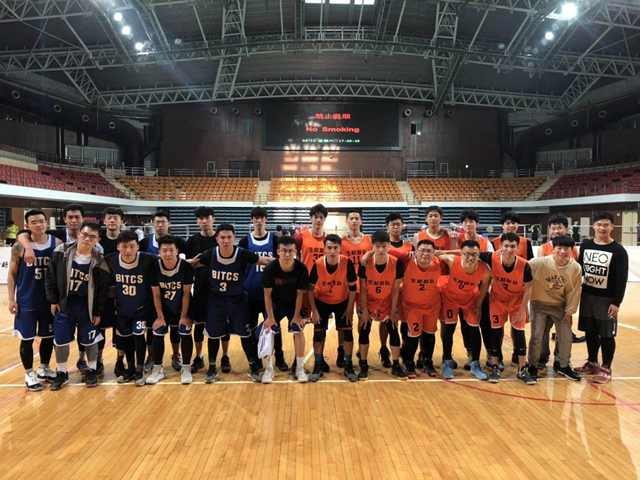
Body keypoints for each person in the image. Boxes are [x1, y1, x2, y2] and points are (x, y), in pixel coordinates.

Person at [195, 224, 272, 384]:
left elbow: (264, 260)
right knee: (213, 335)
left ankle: (252, 366)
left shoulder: (243, 254)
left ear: (234, 238)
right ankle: (211, 368)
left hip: (238, 301)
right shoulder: (210, 254)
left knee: (245, 334)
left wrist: (286, 262)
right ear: (217, 239)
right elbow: (193, 263)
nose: (226, 241)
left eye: (229, 237)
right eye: (222, 237)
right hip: (216, 301)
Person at [46, 222, 110, 390]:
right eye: (85, 234)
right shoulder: (61, 252)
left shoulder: (100, 261)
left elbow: (102, 290)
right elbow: (50, 277)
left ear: (98, 240)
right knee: (61, 340)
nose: (87, 239)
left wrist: (97, 312)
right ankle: (61, 372)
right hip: (65, 303)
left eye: (92, 237)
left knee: (90, 339)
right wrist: (53, 300)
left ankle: (92, 370)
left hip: (86, 305)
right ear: (79, 234)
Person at [7, 210, 61, 391]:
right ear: (27, 226)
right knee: (27, 338)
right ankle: (29, 373)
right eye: (34, 222)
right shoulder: (19, 246)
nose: (38, 225)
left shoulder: (57, 243)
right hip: (27, 299)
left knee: (48, 337)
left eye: (41, 221)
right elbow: (12, 274)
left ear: (47, 223)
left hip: (49, 300)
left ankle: (44, 368)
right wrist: (11, 299)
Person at [96, 230, 158, 386]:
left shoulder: (147, 259)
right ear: (118, 247)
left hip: (141, 309)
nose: (128, 250)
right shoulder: (111, 260)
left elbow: (168, 261)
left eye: (132, 246)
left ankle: (139, 370)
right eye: (124, 246)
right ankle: (130, 368)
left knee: (139, 337)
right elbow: (98, 277)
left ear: (138, 246)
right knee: (126, 339)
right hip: (122, 309)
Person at [575, 212, 629, 383]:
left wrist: (616, 302)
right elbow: (579, 270)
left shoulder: (618, 251)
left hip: (606, 299)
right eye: (599, 225)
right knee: (590, 331)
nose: (602, 228)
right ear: (593, 226)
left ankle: (606, 367)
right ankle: (592, 362)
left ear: (612, 227)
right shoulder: (585, 246)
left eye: (606, 225)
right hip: (587, 296)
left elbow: (621, 279)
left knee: (607, 334)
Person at [480, 233, 535, 385]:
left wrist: (522, 311)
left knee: (519, 334)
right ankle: (495, 366)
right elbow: (471, 253)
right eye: (506, 246)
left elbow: (529, 290)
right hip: (497, 302)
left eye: (512, 246)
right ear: (500, 247)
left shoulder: (524, 265)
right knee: (496, 333)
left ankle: (522, 369)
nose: (509, 249)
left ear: (518, 248)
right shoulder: (491, 258)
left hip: (517, 303)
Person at [527, 235, 583, 381]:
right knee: (537, 335)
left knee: (566, 336)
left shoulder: (575, 268)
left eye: (566, 248)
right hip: (539, 304)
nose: (563, 251)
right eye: (559, 248)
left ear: (572, 250)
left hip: (560, 306)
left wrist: (569, 311)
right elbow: (521, 268)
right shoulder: (540, 263)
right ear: (553, 249)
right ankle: (533, 365)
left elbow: (574, 291)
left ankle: (563, 364)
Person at [238, 207, 286, 371]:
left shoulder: (274, 239)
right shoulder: (245, 241)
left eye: (261, 218)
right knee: (251, 328)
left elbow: (281, 263)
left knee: (274, 326)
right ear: (252, 219)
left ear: (266, 219)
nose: (259, 221)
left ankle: (279, 357)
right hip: (251, 292)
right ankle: (256, 358)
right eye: (256, 218)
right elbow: (240, 266)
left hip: (271, 293)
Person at [139, 211, 188, 371]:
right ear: (152, 223)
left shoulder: (178, 242)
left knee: (175, 326)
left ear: (169, 224)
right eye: (157, 222)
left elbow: (186, 262)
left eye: (163, 222)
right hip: (152, 291)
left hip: (174, 290)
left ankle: (176, 354)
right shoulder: (145, 242)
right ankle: (151, 356)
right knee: (152, 327)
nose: (160, 225)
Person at [437, 240, 491, 380]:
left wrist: (478, 305)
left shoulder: (484, 270)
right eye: (467, 254)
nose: (470, 258)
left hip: (470, 299)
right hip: (450, 298)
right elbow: (436, 254)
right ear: (461, 254)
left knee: (474, 329)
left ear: (479, 255)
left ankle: (475, 364)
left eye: (474, 254)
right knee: (449, 328)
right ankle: (447, 361)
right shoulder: (451, 260)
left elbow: (485, 286)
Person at [308, 235, 358, 382]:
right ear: (324, 249)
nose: (332, 251)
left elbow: (353, 288)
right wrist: (314, 311)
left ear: (340, 249)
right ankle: (318, 364)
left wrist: (349, 309)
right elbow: (310, 289)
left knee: (347, 333)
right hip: (321, 301)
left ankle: (348, 364)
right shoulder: (318, 264)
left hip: (342, 300)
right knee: (318, 333)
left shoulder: (347, 262)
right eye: (329, 248)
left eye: (335, 248)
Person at [390, 239, 443, 378]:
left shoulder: (440, 263)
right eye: (422, 250)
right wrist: (368, 255)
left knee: (429, 334)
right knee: (413, 334)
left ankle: (428, 361)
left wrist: (445, 252)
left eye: (429, 251)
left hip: (432, 306)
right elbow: (385, 249)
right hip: (412, 306)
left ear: (434, 253)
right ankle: (409, 362)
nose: (425, 254)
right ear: (416, 252)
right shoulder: (407, 260)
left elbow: (464, 255)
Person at [261, 235, 310, 383]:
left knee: (298, 330)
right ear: (278, 252)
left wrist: (297, 315)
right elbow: (267, 294)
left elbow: (300, 294)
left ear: (295, 252)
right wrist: (270, 317)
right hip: (275, 303)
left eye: (290, 251)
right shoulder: (270, 268)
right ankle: (269, 369)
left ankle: (299, 367)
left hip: (293, 303)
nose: (287, 254)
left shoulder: (301, 268)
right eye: (284, 251)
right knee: (269, 331)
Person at [358, 230, 406, 380]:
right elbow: (363, 289)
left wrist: (393, 311)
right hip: (369, 302)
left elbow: (396, 289)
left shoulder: (396, 263)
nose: (380, 250)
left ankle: (396, 365)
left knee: (393, 330)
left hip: (387, 302)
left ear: (389, 246)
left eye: (384, 246)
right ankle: (363, 364)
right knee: (364, 330)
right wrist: (365, 310)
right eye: (377, 246)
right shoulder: (365, 263)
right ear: (372, 246)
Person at [147, 235, 195, 385]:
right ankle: (157, 369)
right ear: (159, 252)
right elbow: (156, 294)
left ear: (177, 251)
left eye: (171, 250)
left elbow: (186, 293)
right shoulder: (154, 267)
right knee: (158, 331)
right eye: (164, 250)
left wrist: (184, 316)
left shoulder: (185, 267)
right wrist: (160, 317)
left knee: (185, 330)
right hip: (162, 307)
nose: (168, 254)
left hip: (181, 306)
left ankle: (186, 368)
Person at [537, 214, 584, 363]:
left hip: (564, 298)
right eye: (553, 228)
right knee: (542, 331)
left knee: (563, 331)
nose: (556, 231)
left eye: (560, 228)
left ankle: (560, 360)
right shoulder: (543, 248)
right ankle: (542, 357)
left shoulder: (573, 249)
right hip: (546, 297)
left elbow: (575, 274)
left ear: (566, 229)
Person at [184, 207, 221, 374]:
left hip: (219, 289)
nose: (204, 221)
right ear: (197, 221)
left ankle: (223, 357)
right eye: (201, 218)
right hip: (199, 288)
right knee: (198, 325)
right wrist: (192, 262)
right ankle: (198, 357)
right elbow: (183, 263)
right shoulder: (192, 241)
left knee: (220, 325)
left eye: (207, 217)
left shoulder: (220, 238)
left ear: (213, 219)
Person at [456, 209, 494, 372]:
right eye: (465, 222)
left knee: (485, 322)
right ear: (461, 224)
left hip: (481, 287)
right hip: (462, 288)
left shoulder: (486, 242)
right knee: (465, 324)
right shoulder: (457, 240)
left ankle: (490, 354)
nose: (468, 224)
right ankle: (470, 354)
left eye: (471, 221)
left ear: (477, 224)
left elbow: (491, 264)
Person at [295, 204, 328, 372]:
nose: (318, 220)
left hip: (323, 289)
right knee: (298, 325)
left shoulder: (329, 239)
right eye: (316, 217)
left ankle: (319, 360)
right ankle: (297, 360)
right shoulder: (301, 237)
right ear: (311, 218)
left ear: (324, 219)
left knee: (320, 327)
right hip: (305, 287)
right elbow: (295, 259)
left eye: (321, 217)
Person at [339, 209, 372, 368]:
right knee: (345, 319)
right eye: (351, 218)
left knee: (362, 318)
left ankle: (360, 347)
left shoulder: (369, 240)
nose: (353, 221)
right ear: (346, 221)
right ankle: (341, 349)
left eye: (356, 218)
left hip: (365, 286)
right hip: (346, 287)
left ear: (361, 221)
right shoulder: (341, 242)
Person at [99, 207, 125, 377]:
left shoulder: (127, 239)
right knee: (99, 327)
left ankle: (120, 360)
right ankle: (98, 360)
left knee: (121, 327)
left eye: (116, 218)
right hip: (102, 292)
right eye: (109, 217)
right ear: (104, 221)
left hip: (123, 291)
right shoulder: (98, 240)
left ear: (122, 221)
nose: (113, 220)